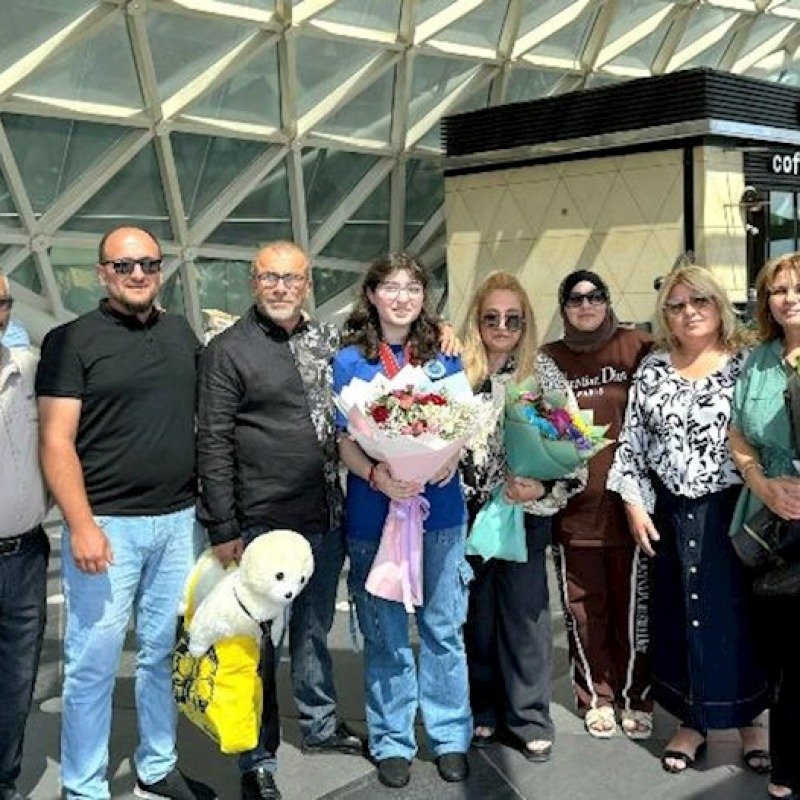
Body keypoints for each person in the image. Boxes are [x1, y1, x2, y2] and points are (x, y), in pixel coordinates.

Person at [36, 227, 214, 800]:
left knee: (161, 654)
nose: (138, 274)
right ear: (101, 273)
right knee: (92, 662)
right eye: (124, 265)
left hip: (176, 521)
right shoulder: (72, 341)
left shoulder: (180, 331)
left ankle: (157, 766)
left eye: (148, 264)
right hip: (107, 528)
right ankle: (84, 786)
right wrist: (82, 524)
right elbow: (56, 442)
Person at [196, 241, 361, 800]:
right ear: (253, 281)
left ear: (307, 281)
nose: (282, 287)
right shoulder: (228, 350)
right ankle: (255, 757)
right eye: (271, 277)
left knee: (315, 629)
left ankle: (318, 724)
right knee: (257, 646)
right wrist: (224, 528)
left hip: (323, 516)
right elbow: (213, 442)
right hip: (261, 525)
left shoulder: (326, 341)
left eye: (292, 278)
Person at [607, 265, 770, 774]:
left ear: (719, 306)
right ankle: (691, 721)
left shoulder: (748, 364)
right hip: (670, 511)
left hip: (734, 509)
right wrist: (634, 503)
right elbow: (632, 444)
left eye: (699, 301)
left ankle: (752, 721)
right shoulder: (652, 368)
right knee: (678, 614)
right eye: (677, 306)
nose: (689, 312)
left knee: (741, 616)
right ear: (666, 317)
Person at [334, 253, 471, 790]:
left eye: (412, 287)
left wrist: (444, 459)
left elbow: (460, 424)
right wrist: (377, 475)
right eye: (390, 287)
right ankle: (392, 737)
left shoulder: (444, 352)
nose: (401, 297)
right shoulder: (349, 361)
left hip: (440, 509)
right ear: (371, 295)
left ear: (423, 296)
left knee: (442, 627)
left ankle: (449, 735)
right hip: (375, 512)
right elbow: (347, 440)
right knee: (385, 633)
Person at [459, 271, 585, 762]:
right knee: (476, 614)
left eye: (513, 318)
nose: (502, 326)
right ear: (477, 320)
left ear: (526, 322)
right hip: (469, 514)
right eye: (492, 317)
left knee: (526, 615)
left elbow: (574, 447)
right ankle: (484, 708)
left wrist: (543, 484)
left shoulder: (543, 372)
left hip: (525, 512)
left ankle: (530, 715)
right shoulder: (458, 373)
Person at [542, 270, 653, 740]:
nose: (586, 305)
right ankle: (596, 696)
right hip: (576, 514)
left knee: (634, 613)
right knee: (586, 611)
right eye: (575, 298)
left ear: (608, 301)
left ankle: (636, 697)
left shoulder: (640, 348)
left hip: (633, 511)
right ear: (564, 307)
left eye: (595, 296)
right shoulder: (548, 359)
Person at [728, 252, 800, 800]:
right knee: (782, 651)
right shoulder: (759, 361)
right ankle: (787, 765)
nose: (788, 298)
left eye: (797, 288)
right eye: (778, 290)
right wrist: (761, 483)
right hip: (771, 523)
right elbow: (737, 434)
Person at [0, 272, 49, 800]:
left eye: (4, 303)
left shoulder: (30, 369)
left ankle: (5, 780)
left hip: (25, 552)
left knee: (16, 681)